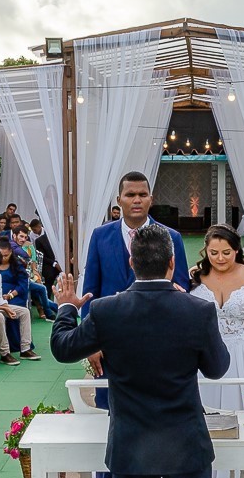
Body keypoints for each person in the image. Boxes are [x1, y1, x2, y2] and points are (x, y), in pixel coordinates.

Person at [51, 225, 229, 478]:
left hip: (131, 443)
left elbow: (63, 347)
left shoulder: (108, 310)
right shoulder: (197, 311)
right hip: (185, 440)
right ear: (172, 264)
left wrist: (66, 306)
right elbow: (217, 368)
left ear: (131, 264)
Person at [81, 171, 190, 412]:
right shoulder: (100, 236)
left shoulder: (172, 238)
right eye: (130, 194)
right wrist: (91, 343)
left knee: (158, 408)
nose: (137, 200)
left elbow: (182, 290)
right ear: (119, 200)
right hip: (111, 341)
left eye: (142, 194)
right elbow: (90, 292)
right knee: (110, 410)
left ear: (151, 198)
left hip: (158, 340)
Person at [190, 225, 244, 412]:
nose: (220, 258)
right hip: (207, 353)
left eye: (226, 252)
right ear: (206, 251)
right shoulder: (194, 276)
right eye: (213, 253)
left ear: (236, 250)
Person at [0, 237, 42, 361]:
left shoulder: (17, 265)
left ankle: (25, 348)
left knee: (22, 311)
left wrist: (11, 295)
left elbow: (23, 285)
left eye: (6, 255)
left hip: (14, 296)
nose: (4, 258)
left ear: (11, 252)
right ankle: (5, 351)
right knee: (4, 314)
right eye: (1, 255)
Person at [14, 226, 57, 320]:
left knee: (39, 286)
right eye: (21, 236)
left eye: (25, 237)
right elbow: (25, 258)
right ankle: (53, 310)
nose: (23, 239)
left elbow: (33, 261)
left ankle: (48, 310)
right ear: (14, 236)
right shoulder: (13, 247)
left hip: (27, 276)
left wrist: (35, 272)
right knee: (40, 289)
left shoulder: (27, 245)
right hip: (17, 280)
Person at [30, 218, 62, 289]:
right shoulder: (38, 239)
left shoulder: (55, 235)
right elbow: (42, 255)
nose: (34, 232)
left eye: (35, 229)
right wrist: (55, 264)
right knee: (49, 274)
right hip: (49, 262)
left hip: (60, 259)